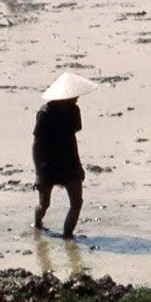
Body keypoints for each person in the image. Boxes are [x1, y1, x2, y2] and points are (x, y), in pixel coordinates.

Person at [32, 72, 98, 239]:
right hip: (49, 163)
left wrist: (79, 165)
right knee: (44, 204)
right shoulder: (45, 114)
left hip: (69, 162)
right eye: (73, 95)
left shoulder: (74, 111)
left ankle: (68, 238)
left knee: (77, 203)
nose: (76, 99)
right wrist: (39, 175)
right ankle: (37, 225)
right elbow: (36, 145)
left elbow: (72, 139)